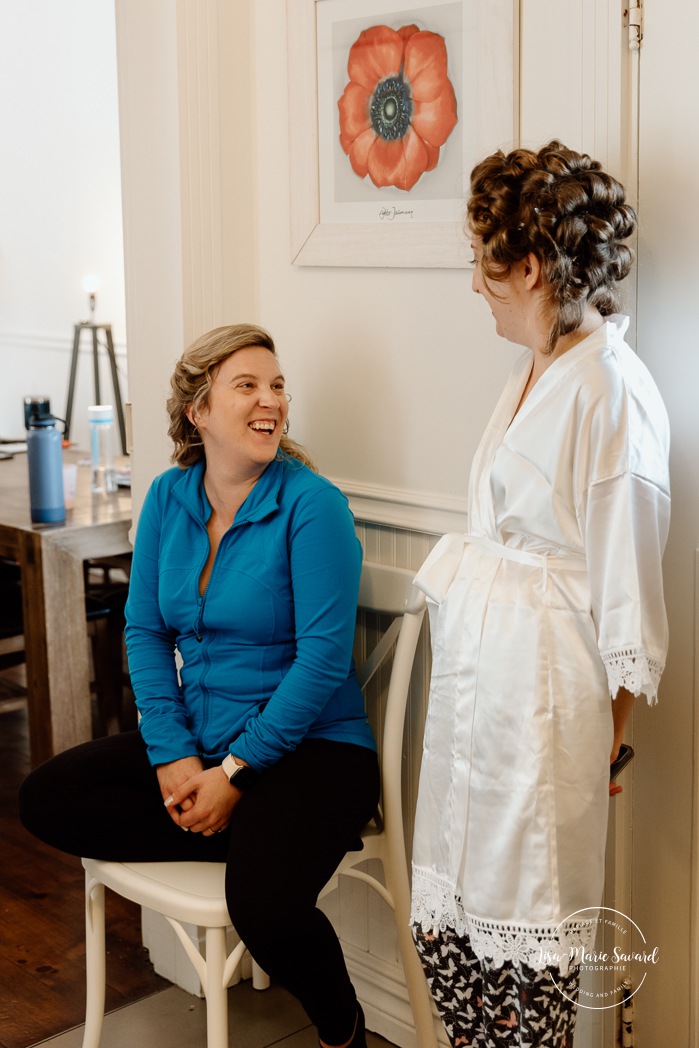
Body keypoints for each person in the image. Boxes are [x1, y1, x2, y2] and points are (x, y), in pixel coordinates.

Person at [19, 323, 379, 1048]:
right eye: (246, 385)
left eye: (276, 385)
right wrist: (176, 760)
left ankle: (344, 1030)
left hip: (315, 748)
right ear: (200, 412)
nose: (269, 400)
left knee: (265, 906)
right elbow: (145, 633)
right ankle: (238, 827)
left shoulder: (313, 507)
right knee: (47, 798)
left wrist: (237, 773)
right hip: (204, 740)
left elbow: (320, 663)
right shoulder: (167, 498)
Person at [409, 142, 670, 1047]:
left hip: (546, 702)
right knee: (456, 936)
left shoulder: (610, 394)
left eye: (480, 261)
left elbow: (629, 591)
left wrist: (612, 742)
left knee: (526, 953)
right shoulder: (532, 369)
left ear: (526, 266)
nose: (473, 284)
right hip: (479, 701)